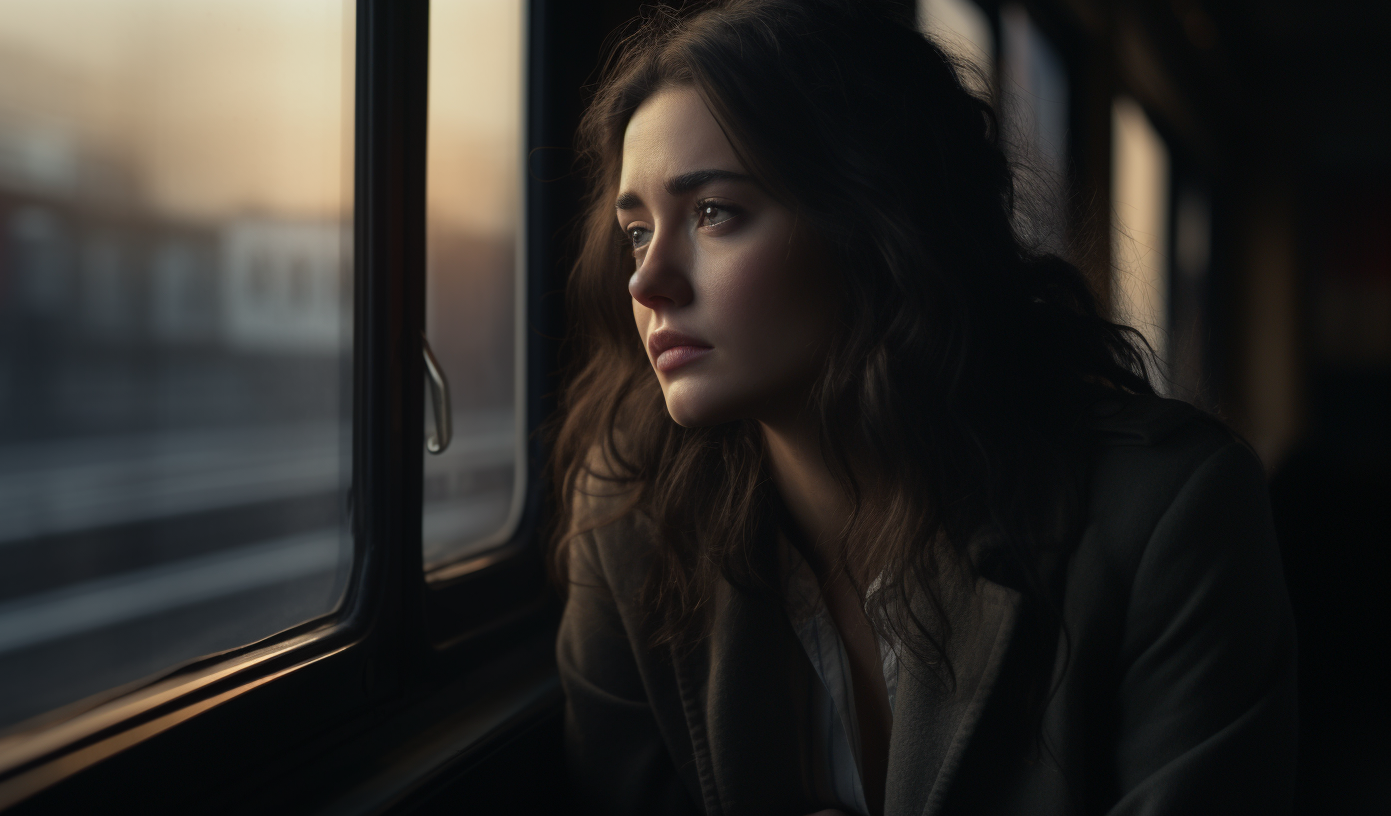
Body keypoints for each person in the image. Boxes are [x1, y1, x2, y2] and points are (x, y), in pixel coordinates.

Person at [548, 1, 1297, 814]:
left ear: (875, 220)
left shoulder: (1170, 513)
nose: (646, 282)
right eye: (635, 232)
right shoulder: (631, 508)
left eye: (713, 214)